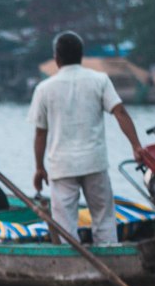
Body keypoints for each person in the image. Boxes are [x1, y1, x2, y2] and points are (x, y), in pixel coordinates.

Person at [27, 31, 145, 245]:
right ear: (81, 56)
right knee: (104, 219)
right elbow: (120, 112)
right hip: (94, 161)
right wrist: (136, 146)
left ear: (57, 58)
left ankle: (73, 269)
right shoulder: (99, 80)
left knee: (65, 226)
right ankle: (110, 258)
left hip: (62, 166)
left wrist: (39, 168)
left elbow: (40, 133)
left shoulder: (44, 89)